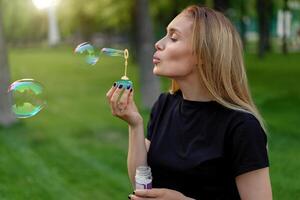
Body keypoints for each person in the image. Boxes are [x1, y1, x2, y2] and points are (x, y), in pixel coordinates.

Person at [106, 5, 272, 200]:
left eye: (173, 38)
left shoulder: (242, 127)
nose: (159, 44)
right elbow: (142, 186)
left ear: (203, 55)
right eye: (165, 35)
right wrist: (135, 125)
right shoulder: (164, 105)